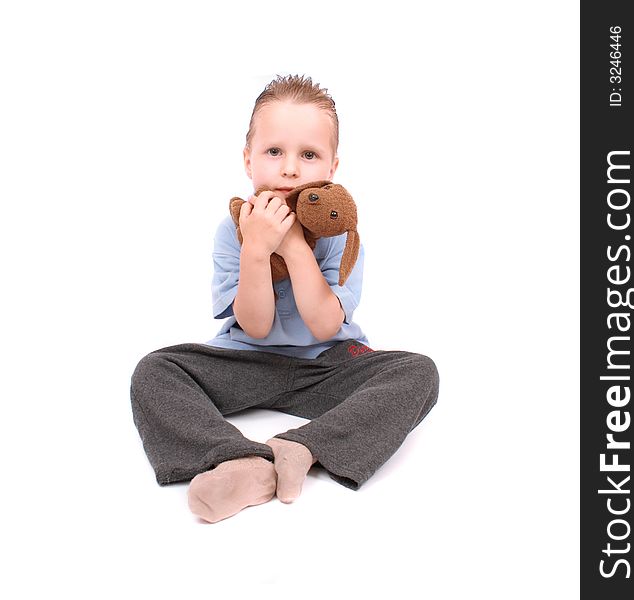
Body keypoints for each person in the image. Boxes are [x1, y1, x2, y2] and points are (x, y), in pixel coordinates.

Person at [130, 74, 439, 524]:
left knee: (418, 372)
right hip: (247, 361)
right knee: (154, 371)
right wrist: (256, 249)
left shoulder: (339, 234)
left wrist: (295, 246)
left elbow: (325, 325)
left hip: (327, 363)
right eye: (274, 152)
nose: (290, 169)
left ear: (332, 168)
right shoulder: (232, 231)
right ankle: (239, 460)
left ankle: (301, 446)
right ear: (248, 160)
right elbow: (254, 325)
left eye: (308, 155)